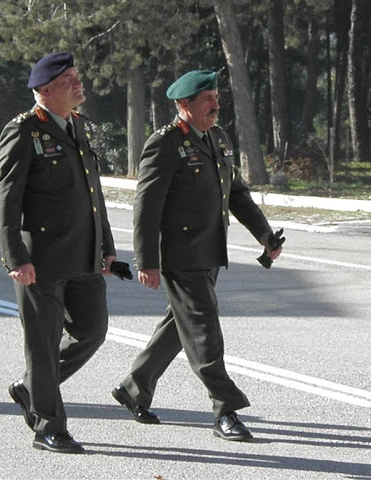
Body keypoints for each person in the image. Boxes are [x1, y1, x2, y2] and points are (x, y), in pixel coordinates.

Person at [111, 70, 283, 442]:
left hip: (210, 252)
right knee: (204, 331)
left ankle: (133, 387)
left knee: (179, 327)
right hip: (179, 256)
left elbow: (236, 194)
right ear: (183, 105)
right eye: (206, 98)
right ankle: (226, 408)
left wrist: (265, 235)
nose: (215, 104)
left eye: (216, 96)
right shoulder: (165, 143)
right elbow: (146, 207)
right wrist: (147, 261)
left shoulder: (217, 138)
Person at [0, 52, 117, 454]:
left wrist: (108, 249)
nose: (79, 84)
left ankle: (31, 388)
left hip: (83, 255)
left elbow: (92, 197)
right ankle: (49, 425)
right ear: (45, 90)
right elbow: (6, 200)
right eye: (68, 79)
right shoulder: (24, 132)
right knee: (43, 344)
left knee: (92, 330)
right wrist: (15, 257)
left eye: (78, 77)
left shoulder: (78, 127)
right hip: (40, 260)